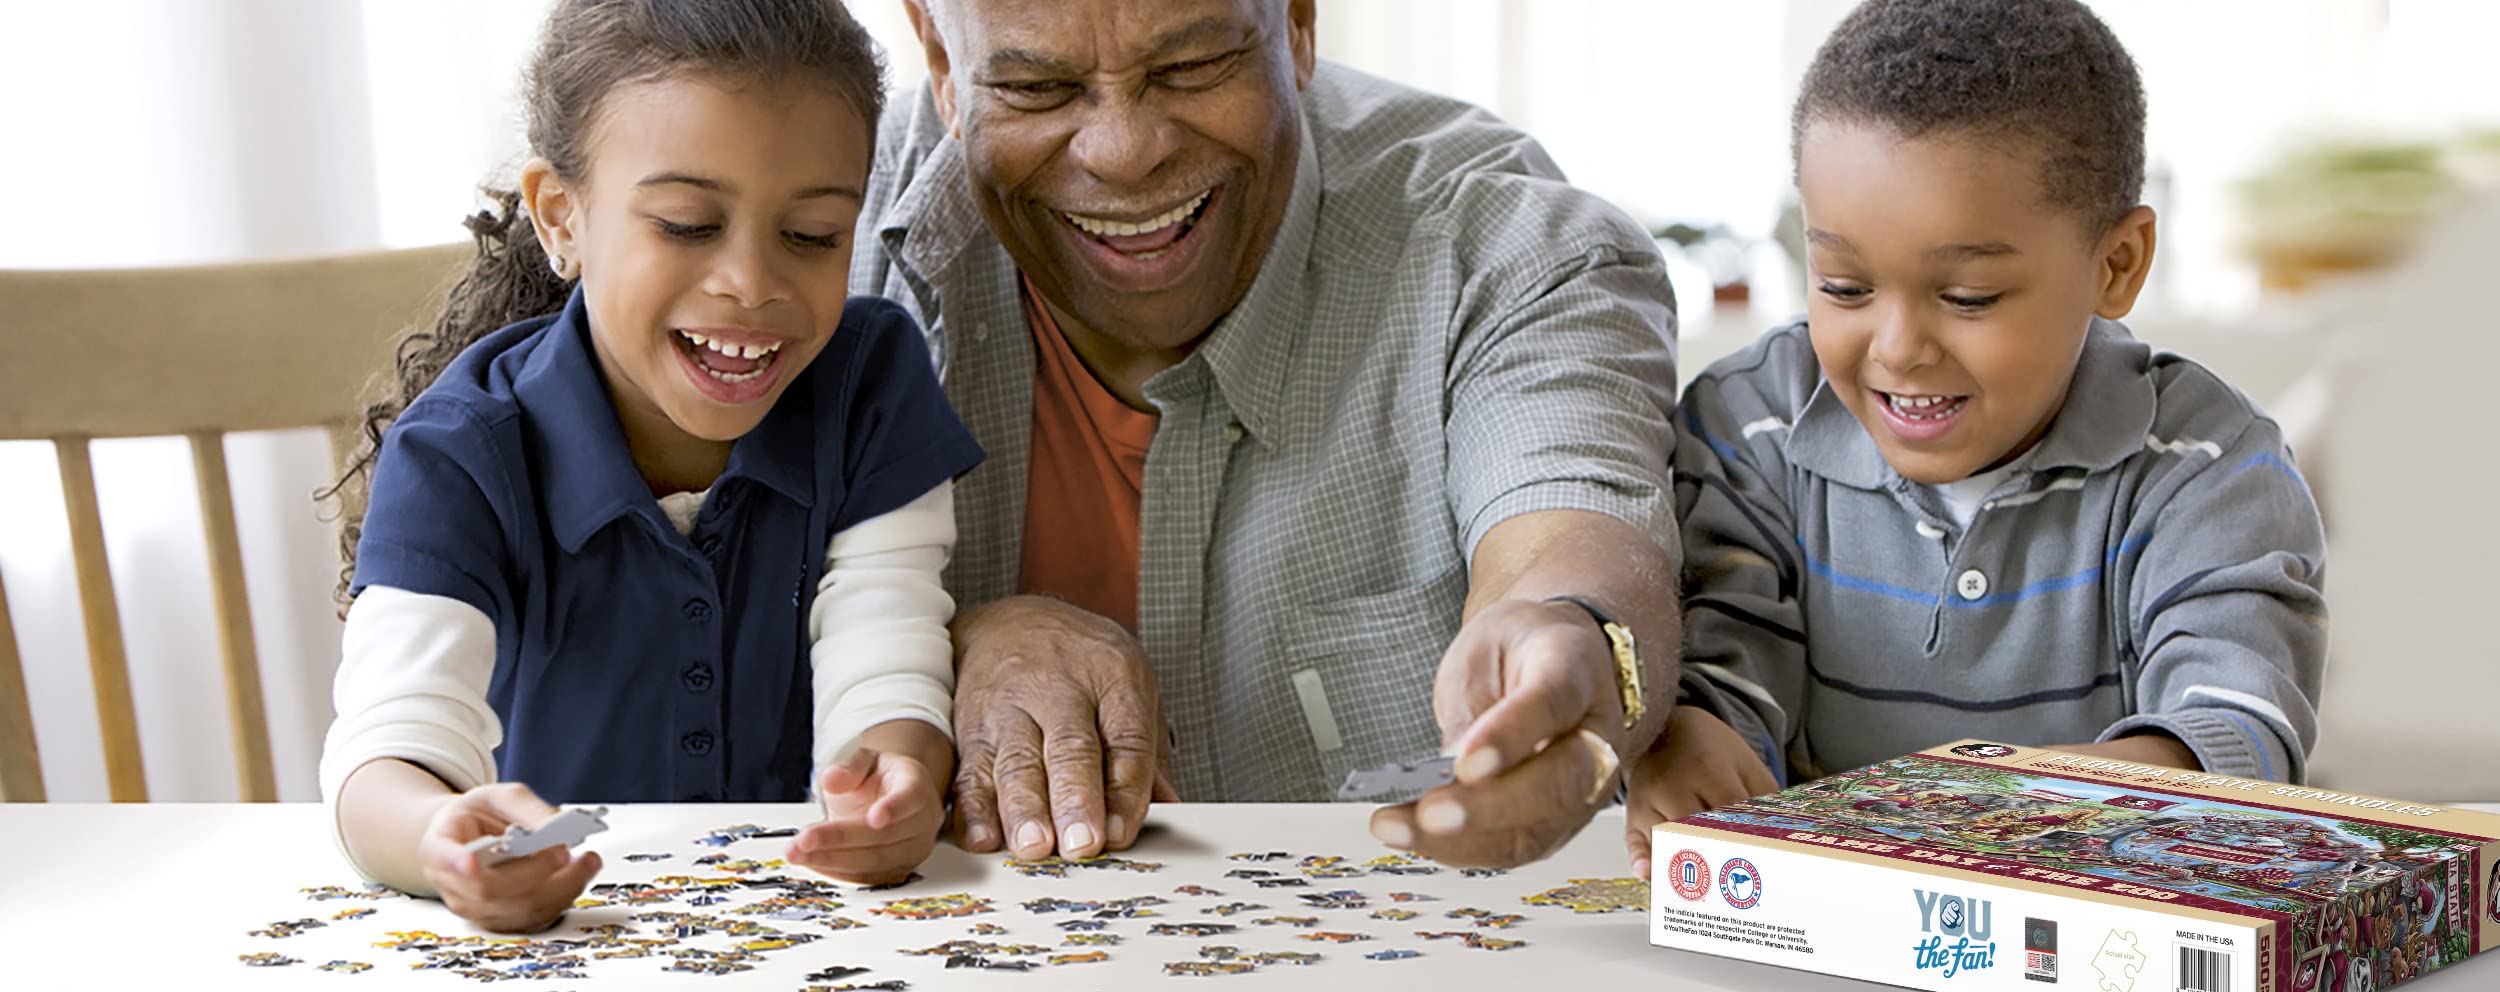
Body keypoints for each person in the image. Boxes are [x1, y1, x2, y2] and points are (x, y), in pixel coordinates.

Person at [856, 0, 1683, 869]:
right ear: (941, 61)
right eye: (1035, 86)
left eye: (1192, 67)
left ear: (1296, 23)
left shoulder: (1503, 244)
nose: (1124, 151)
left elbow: (1568, 538)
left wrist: (1576, 644)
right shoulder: (796, 224)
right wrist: (937, 643)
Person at [315, 0, 983, 932]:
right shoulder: (460, 451)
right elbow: (386, 750)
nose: (751, 282)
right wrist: (439, 836)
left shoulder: (871, 384)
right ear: (562, 217)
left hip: (813, 928)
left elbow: (886, 647)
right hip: (565, 938)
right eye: (685, 223)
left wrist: (895, 777)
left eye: (814, 235)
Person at [1624, 0, 2328, 879]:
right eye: (1843, 286)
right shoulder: (1748, 426)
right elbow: (1728, 652)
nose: (1897, 348)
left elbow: (2233, 720)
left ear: (2116, 265)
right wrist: (1692, 734)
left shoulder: (2207, 465)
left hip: (2094, 921)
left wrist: (1999, 820)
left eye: (1968, 298)